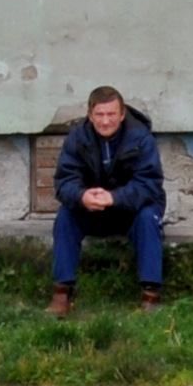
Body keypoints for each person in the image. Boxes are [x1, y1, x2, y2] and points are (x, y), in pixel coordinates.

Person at [49, 84, 165, 310]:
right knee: (65, 216)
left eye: (111, 114)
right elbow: (64, 181)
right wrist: (82, 196)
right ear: (90, 115)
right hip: (92, 210)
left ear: (122, 114)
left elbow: (150, 185)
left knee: (148, 218)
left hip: (132, 210)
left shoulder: (141, 138)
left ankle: (150, 294)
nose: (105, 121)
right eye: (99, 114)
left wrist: (114, 198)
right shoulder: (77, 139)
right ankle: (61, 292)